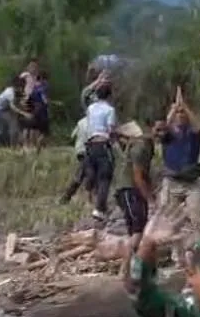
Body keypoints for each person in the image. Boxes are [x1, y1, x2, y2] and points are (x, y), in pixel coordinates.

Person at [158, 89, 200, 266]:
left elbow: (199, 126)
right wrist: (174, 108)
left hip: (191, 182)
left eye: (182, 113)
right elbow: (163, 126)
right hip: (172, 182)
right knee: (171, 220)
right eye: (177, 113)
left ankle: (197, 253)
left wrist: (184, 107)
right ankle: (177, 257)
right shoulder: (168, 135)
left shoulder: (192, 134)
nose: (180, 115)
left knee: (198, 218)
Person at [113, 121, 156, 274]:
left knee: (137, 231)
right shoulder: (141, 148)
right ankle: (124, 269)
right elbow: (138, 177)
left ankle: (140, 268)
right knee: (138, 231)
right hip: (130, 190)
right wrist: (151, 200)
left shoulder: (139, 146)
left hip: (127, 190)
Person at [83, 82, 118, 220]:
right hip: (103, 144)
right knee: (105, 177)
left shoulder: (91, 108)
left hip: (90, 145)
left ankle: (94, 202)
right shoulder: (110, 110)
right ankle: (99, 209)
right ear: (109, 96)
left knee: (93, 174)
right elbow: (111, 130)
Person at [0, 75, 31, 157]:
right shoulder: (10, 93)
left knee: (14, 127)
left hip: (6, 110)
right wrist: (24, 113)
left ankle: (19, 148)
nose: (22, 89)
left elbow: (18, 102)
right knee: (3, 131)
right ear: (17, 86)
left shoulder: (16, 92)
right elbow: (13, 107)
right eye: (21, 87)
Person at [61, 116, 93, 204]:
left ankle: (67, 197)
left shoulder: (81, 121)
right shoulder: (95, 123)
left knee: (82, 173)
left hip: (79, 150)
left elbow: (72, 135)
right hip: (88, 150)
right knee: (88, 174)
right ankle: (87, 200)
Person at [23, 69, 50, 150]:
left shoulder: (33, 88)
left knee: (34, 129)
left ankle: (32, 146)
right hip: (42, 110)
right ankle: (38, 143)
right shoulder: (43, 87)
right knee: (44, 131)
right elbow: (45, 100)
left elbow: (28, 100)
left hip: (34, 110)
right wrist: (47, 103)